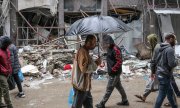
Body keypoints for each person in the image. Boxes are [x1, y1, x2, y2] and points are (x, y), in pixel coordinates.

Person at [96, 35, 129, 108]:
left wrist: (113, 69)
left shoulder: (115, 49)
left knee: (109, 88)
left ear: (111, 41)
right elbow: (110, 58)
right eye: (105, 42)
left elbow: (119, 61)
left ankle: (102, 103)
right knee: (119, 87)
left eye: (107, 42)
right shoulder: (109, 48)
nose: (106, 44)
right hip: (112, 72)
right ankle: (125, 100)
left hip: (115, 73)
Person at [71, 35, 101, 108]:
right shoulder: (82, 52)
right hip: (80, 85)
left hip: (85, 85)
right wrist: (96, 63)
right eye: (93, 43)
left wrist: (95, 61)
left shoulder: (85, 51)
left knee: (88, 104)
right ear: (88, 42)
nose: (95, 45)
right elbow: (84, 69)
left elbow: (87, 64)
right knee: (77, 106)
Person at [154, 34, 178, 108]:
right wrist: (177, 61)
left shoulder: (159, 47)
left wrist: (153, 72)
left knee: (170, 93)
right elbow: (171, 64)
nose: (175, 41)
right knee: (161, 95)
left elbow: (154, 61)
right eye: (174, 39)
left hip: (160, 73)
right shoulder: (170, 49)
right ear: (170, 39)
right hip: (165, 75)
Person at [135, 34, 160, 101]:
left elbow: (153, 62)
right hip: (159, 69)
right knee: (151, 83)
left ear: (152, 40)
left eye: (149, 40)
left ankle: (172, 101)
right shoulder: (155, 47)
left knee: (165, 86)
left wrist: (153, 72)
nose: (148, 42)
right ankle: (144, 96)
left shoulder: (157, 48)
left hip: (159, 70)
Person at [0, 36, 13, 108]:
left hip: (6, 72)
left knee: (0, 88)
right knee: (5, 88)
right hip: (1, 73)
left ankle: (0, 103)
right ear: (4, 44)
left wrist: (10, 70)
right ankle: (9, 105)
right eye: (7, 44)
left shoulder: (7, 50)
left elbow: (8, 61)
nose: (9, 46)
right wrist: (5, 70)